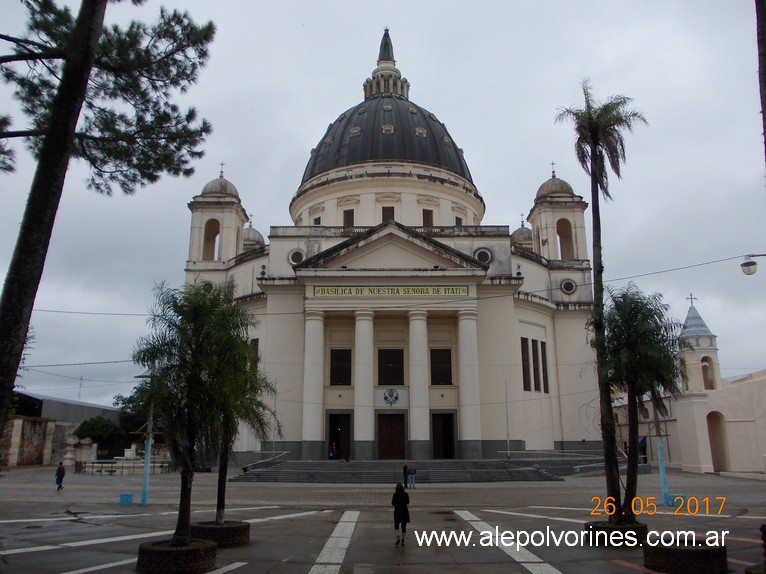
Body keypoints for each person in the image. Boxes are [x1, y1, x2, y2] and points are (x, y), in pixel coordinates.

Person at [391, 482, 410, 546]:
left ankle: (398, 536)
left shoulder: (395, 495)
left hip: (397, 511)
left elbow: (393, 503)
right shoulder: (406, 494)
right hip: (404, 511)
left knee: (396, 525)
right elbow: (408, 502)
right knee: (404, 526)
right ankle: (403, 541)